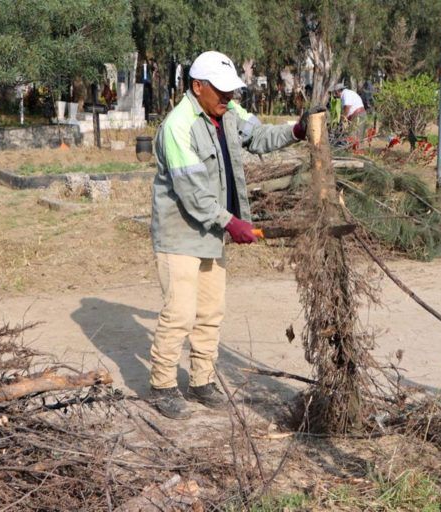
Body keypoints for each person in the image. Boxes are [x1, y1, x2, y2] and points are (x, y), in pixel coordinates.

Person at [149, 50, 320, 419]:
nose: (228, 98)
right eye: (221, 91)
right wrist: (232, 223)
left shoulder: (227, 113)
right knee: (179, 313)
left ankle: (201, 381)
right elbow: (193, 194)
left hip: (212, 233)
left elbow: (258, 135)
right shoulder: (178, 127)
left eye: (231, 92)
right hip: (180, 233)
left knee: (211, 312)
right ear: (198, 87)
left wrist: (297, 130)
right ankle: (162, 386)